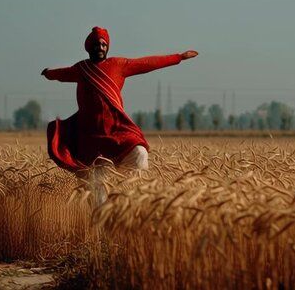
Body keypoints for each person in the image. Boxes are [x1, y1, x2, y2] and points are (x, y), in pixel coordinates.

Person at [41, 26, 198, 204]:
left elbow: (148, 63)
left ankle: (132, 202)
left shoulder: (118, 65)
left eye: (103, 44)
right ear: (89, 47)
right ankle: (101, 226)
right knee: (97, 189)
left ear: (107, 47)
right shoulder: (81, 69)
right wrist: (49, 73)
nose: (100, 47)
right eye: (96, 44)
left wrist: (178, 57)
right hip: (92, 139)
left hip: (117, 132)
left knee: (140, 153)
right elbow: (63, 74)